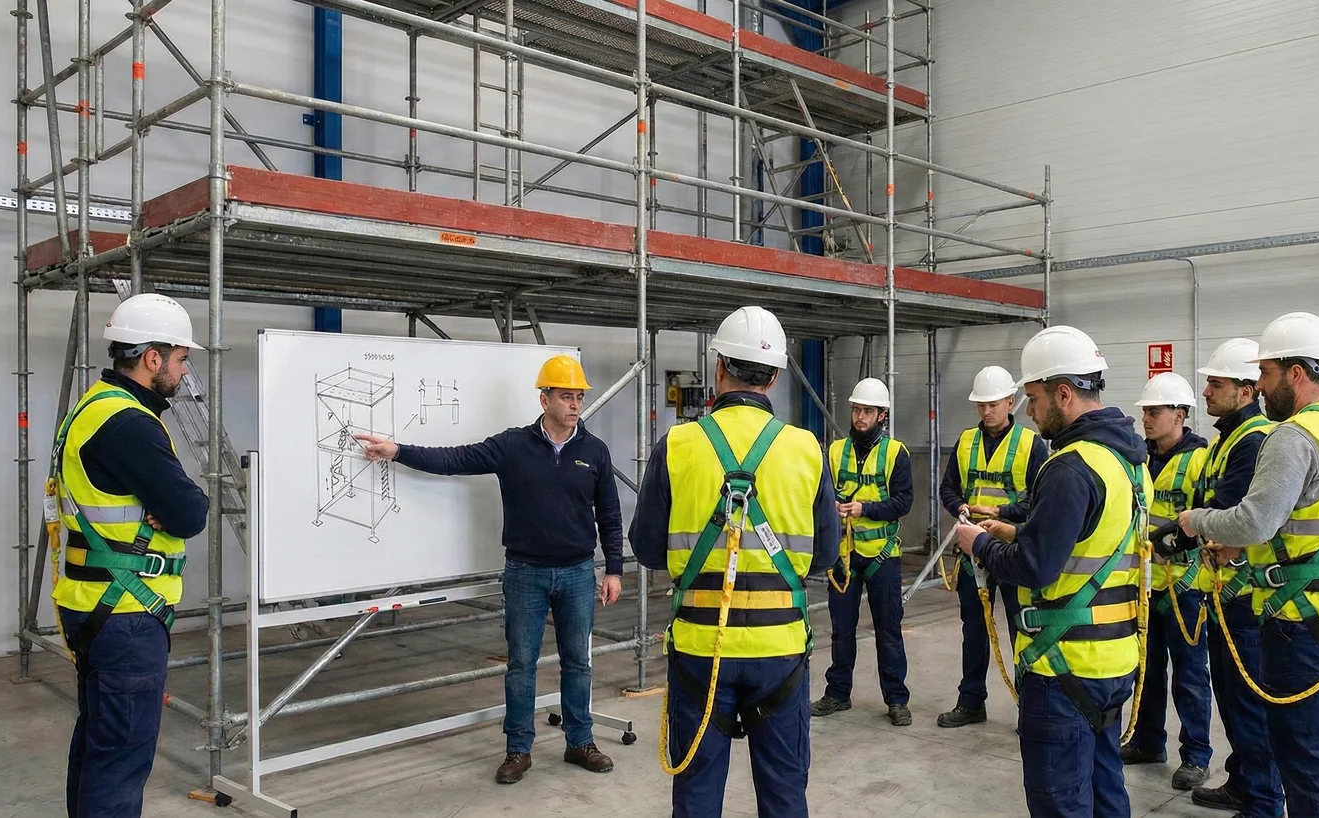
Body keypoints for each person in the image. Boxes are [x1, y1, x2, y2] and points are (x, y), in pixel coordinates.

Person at [356, 354, 623, 785]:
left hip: (577, 572)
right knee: (521, 664)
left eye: (578, 397)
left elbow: (609, 514)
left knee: (579, 662)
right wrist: (398, 451)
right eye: (566, 396)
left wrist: (613, 569)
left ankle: (580, 742)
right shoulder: (513, 445)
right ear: (545, 398)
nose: (575, 405)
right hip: (525, 573)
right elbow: (455, 458)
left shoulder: (594, 451)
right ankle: (518, 750)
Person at [630, 305, 838, 818]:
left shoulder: (677, 445)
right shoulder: (808, 449)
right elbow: (826, 557)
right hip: (781, 652)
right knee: (785, 795)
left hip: (701, 650)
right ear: (774, 375)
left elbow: (647, 549)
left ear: (719, 366)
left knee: (697, 796)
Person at [1182, 313, 1319, 818]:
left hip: (1302, 622)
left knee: (1306, 758)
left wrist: (1196, 521)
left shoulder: (1294, 436)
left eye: (1266, 375)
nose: (1262, 388)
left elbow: (1254, 523)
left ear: (1296, 373)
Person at [953, 326, 1150, 817]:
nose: (1030, 410)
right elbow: (1091, 541)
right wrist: (1016, 532)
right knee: (1106, 792)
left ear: (1064, 393)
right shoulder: (1128, 464)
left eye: (1035, 398)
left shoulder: (1069, 466)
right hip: (1113, 660)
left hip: (1064, 666)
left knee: (1060, 802)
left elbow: (1036, 570)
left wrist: (979, 544)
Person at [53, 293, 210, 818]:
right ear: (152, 358)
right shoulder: (130, 424)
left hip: (92, 605)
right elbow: (189, 513)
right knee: (121, 754)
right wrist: (173, 504)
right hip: (126, 616)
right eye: (182, 359)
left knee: (98, 741)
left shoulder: (92, 406)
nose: (184, 372)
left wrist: (164, 501)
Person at [1183, 338, 1284, 818]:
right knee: (1231, 698)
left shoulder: (1255, 441)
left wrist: (1184, 527)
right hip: (1223, 592)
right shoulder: (1229, 438)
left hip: (1243, 597)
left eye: (1216, 384)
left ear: (1246, 391)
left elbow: (1230, 514)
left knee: (1246, 703)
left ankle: (1262, 800)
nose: (1206, 391)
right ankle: (1243, 781)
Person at [935, 365, 1048, 729]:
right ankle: (970, 702)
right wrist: (961, 508)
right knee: (974, 628)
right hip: (973, 553)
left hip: (1013, 548)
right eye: (981, 404)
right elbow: (948, 489)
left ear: (1010, 402)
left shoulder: (1032, 445)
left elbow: (1038, 501)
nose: (986, 411)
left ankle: (1028, 707)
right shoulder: (966, 442)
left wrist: (1000, 511)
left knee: (1022, 628)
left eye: (993, 404)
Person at [1120, 372, 1212, 791]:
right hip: (1146, 586)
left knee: (1190, 676)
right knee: (1147, 670)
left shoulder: (1200, 460)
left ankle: (1195, 756)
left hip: (1186, 588)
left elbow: (1208, 523)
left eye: (1155, 412)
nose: (1147, 419)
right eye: (1144, 412)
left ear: (1180, 414)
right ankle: (1147, 740)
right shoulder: (1139, 460)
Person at [811, 377, 915, 726]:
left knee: (889, 629)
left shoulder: (895, 453)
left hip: (882, 555)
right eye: (857, 409)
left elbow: (903, 502)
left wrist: (864, 509)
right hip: (843, 555)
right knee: (841, 629)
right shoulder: (835, 450)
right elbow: (821, 496)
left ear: (881, 415)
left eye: (868, 411)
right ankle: (838, 693)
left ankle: (896, 699)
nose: (860, 417)